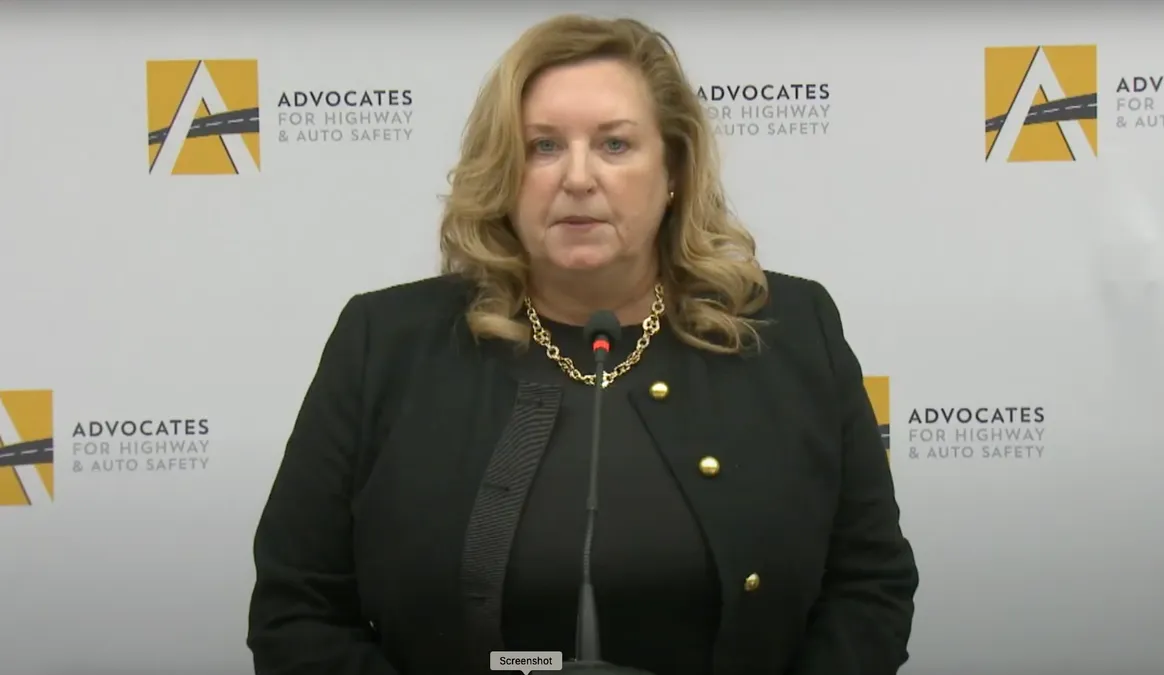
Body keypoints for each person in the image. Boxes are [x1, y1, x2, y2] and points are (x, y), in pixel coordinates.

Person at [246, 13, 918, 675]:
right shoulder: (385, 342)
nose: (577, 177)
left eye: (615, 145)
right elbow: (296, 611)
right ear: (504, 172)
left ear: (675, 167)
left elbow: (869, 585)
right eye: (542, 146)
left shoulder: (792, 329)